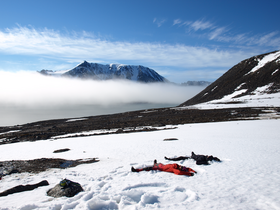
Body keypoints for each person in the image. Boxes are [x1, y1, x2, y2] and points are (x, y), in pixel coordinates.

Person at [131, 160, 196, 176]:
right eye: (182, 166)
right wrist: (193, 171)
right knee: (158, 163)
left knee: (148, 168)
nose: (181, 166)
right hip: (162, 165)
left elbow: (179, 172)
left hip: (161, 168)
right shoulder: (178, 166)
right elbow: (188, 168)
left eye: (181, 167)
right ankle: (155, 164)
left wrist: (189, 174)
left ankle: (136, 170)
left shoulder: (175, 170)